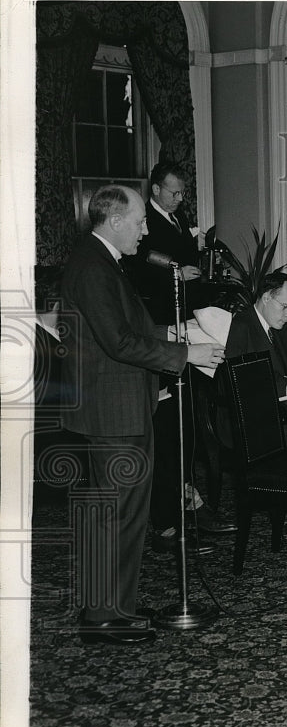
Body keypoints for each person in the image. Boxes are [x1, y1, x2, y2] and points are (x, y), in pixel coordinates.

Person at [60, 184, 224, 645]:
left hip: (120, 405)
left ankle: (114, 606)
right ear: (115, 221)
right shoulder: (93, 265)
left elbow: (127, 328)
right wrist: (183, 354)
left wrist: (172, 332)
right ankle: (104, 617)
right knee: (118, 514)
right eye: (139, 222)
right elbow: (118, 342)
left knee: (123, 512)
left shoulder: (99, 260)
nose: (145, 230)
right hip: (112, 410)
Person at [223, 272, 287, 447]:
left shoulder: (279, 327)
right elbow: (237, 380)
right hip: (251, 417)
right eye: (285, 306)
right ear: (266, 298)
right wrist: (284, 388)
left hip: (277, 408)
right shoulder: (241, 326)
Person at [122, 161, 204, 326]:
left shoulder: (179, 215)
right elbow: (137, 269)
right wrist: (176, 275)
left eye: (182, 192)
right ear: (156, 189)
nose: (180, 199)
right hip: (162, 313)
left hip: (189, 308)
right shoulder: (141, 220)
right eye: (175, 193)